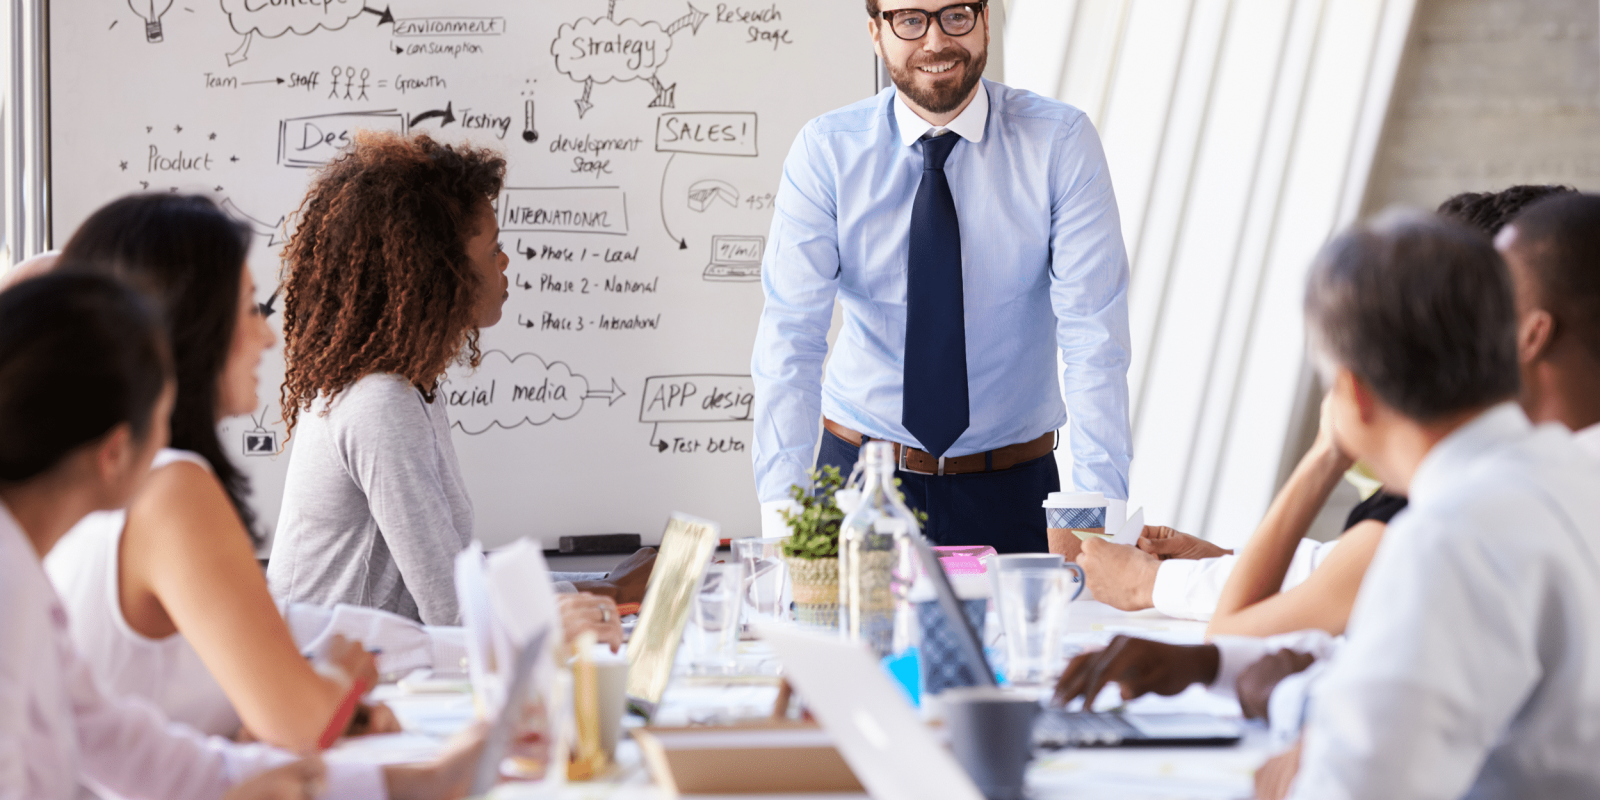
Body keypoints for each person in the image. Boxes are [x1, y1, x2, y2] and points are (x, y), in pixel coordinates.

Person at [1057, 209, 1600, 798]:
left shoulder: (1449, 539)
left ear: (1352, 394)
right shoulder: (1573, 472)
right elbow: (1404, 662)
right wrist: (1216, 667)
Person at [0, 272, 481, 800]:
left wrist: (428, 781)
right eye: (252, 309)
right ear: (115, 454)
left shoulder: (30, 576)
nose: (270, 335)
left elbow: (149, 756)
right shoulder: (162, 496)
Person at [1076, 183, 1578, 631]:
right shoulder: (1537, 472)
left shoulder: (1447, 521)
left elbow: (1251, 628)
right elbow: (1336, 572)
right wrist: (1219, 560)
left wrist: (1156, 583)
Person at [751, 0, 1131, 553]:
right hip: (859, 483)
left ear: (984, 25)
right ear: (876, 32)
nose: (935, 42)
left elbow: (1094, 338)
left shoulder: (1059, 142)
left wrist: (1098, 523)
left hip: (1013, 487)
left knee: (1037, 639)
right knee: (850, 641)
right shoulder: (826, 151)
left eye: (956, 15)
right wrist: (784, 527)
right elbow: (791, 339)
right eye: (910, 19)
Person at [39, 194, 400, 751]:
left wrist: (284, 714)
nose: (267, 336)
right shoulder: (171, 488)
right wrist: (335, 679)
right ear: (192, 320)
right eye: (252, 307)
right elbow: (302, 723)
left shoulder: (89, 483)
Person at [267, 131, 652, 628]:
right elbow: (455, 612)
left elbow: (459, 580)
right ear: (440, 273)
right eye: (493, 249)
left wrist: (601, 584)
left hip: (377, 667)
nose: (505, 261)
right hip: (336, 680)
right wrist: (608, 593)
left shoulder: (407, 388)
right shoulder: (379, 404)